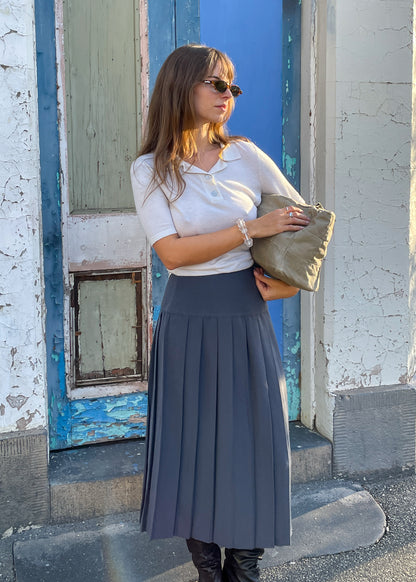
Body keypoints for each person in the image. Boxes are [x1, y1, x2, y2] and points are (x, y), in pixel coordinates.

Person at [130, 44, 309, 582]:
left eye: (232, 87)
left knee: (253, 441)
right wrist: (250, 229)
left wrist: (289, 285)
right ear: (181, 86)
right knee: (191, 446)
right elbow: (173, 254)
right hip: (187, 315)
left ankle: (245, 569)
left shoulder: (246, 156)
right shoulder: (150, 169)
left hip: (245, 311)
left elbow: (305, 226)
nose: (227, 96)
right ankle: (209, 570)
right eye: (216, 84)